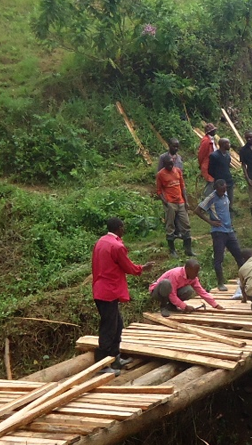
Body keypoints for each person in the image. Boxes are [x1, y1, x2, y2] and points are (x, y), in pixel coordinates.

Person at [91, 218, 144, 371]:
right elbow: (128, 267)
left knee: (117, 324)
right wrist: (141, 268)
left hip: (100, 289)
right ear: (119, 228)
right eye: (123, 227)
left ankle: (115, 358)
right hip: (109, 291)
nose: (124, 230)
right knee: (109, 328)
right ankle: (103, 364)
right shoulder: (117, 246)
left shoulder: (101, 241)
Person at [199, 179, 247, 290]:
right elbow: (198, 210)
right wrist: (210, 221)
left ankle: (244, 280)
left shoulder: (226, 195)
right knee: (219, 258)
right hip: (218, 232)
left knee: (239, 255)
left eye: (224, 189)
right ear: (216, 189)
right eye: (221, 190)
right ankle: (220, 283)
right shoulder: (211, 198)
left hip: (229, 230)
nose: (223, 192)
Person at [149, 259, 224, 316]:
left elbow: (201, 291)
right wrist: (184, 306)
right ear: (187, 269)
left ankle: (171, 306)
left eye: (197, 272)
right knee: (166, 283)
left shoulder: (193, 277)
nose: (196, 274)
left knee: (189, 290)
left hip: (171, 292)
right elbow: (172, 294)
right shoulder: (176, 274)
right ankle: (163, 307)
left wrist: (215, 304)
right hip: (158, 292)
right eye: (195, 272)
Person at [155, 153, 193, 257]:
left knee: (186, 224)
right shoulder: (160, 174)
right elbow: (158, 191)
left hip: (180, 201)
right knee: (170, 226)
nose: (170, 166)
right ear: (165, 164)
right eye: (168, 164)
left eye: (172, 164)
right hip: (170, 202)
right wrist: (166, 202)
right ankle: (172, 251)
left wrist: (186, 201)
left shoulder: (178, 171)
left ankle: (188, 250)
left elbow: (182, 186)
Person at [209, 137, 236, 208]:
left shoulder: (228, 155)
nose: (230, 145)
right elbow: (210, 170)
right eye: (228, 143)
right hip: (220, 182)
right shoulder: (214, 156)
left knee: (230, 200)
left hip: (229, 181)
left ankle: (230, 213)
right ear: (224, 144)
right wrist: (218, 177)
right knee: (221, 202)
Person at [198, 123, 218, 196]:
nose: (215, 132)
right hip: (208, 166)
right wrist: (201, 165)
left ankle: (206, 199)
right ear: (209, 132)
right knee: (211, 181)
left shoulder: (212, 140)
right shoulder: (206, 141)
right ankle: (205, 199)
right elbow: (201, 154)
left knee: (212, 182)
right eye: (213, 130)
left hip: (213, 165)